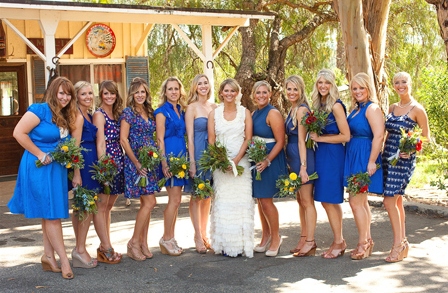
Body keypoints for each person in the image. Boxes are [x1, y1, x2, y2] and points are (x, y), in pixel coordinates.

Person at [8, 76, 77, 279]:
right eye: (62, 93)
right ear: (54, 92)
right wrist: (40, 154)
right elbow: (18, 133)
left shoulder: (64, 115)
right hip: (39, 165)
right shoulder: (39, 110)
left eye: (68, 94)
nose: (65, 97)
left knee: (50, 212)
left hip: (56, 168)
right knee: (52, 214)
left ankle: (48, 256)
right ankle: (65, 262)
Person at [382, 72, 429, 262]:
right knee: (397, 201)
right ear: (393, 86)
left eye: (404, 82)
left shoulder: (417, 109)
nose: (400, 85)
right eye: (396, 83)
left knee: (388, 201)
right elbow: (386, 133)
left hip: (403, 160)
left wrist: (411, 150)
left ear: (410, 84)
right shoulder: (393, 107)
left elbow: (425, 137)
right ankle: (403, 243)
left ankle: (397, 245)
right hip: (388, 157)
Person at [208, 78, 254, 258]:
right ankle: (224, 245)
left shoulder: (245, 113)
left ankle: (242, 245)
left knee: (241, 202)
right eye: (226, 91)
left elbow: (248, 138)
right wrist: (221, 160)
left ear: (237, 93)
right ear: (221, 93)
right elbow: (211, 140)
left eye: (232, 91)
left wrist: (235, 160)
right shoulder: (214, 113)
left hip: (241, 163)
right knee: (223, 202)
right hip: (221, 164)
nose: (229, 94)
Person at [309, 69, 350, 259]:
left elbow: (346, 135)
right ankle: (339, 240)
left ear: (332, 85)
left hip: (333, 155)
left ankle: (338, 241)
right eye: (320, 83)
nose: (323, 86)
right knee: (326, 199)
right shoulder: (319, 106)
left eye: (326, 83)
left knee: (329, 199)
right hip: (322, 155)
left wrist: (321, 138)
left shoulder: (336, 106)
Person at [343, 73, 384, 260]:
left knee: (355, 201)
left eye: (361, 88)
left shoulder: (372, 108)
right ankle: (367, 240)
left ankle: (363, 243)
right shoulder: (356, 109)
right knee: (361, 202)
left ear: (368, 88)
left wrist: (372, 161)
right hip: (353, 154)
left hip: (364, 156)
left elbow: (378, 136)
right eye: (354, 88)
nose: (358, 91)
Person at [120, 77, 159, 261]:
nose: (140, 95)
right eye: (137, 92)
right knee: (150, 202)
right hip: (136, 162)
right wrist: (136, 163)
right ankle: (134, 242)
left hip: (148, 162)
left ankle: (143, 242)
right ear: (132, 94)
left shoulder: (149, 111)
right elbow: (123, 139)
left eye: (143, 91)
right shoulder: (128, 112)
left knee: (147, 204)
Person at [251, 81, 287, 257]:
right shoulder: (253, 113)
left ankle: (276, 238)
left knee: (266, 201)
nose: (261, 95)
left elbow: (281, 141)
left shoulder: (273, 113)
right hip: (257, 159)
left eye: (264, 92)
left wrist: (266, 160)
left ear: (270, 94)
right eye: (258, 93)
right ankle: (265, 237)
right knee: (260, 200)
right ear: (253, 95)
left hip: (270, 159)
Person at [284, 75, 318, 257]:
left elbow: (302, 141)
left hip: (302, 157)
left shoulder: (302, 110)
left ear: (301, 90)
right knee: (300, 200)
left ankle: (311, 241)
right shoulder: (292, 109)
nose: (291, 92)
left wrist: (303, 167)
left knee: (307, 200)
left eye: (295, 89)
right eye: (289, 89)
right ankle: (303, 237)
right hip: (293, 157)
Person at [155, 76, 188, 256]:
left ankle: (171, 237)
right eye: (170, 89)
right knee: (173, 200)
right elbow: (159, 139)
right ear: (165, 92)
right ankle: (166, 238)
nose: (174, 92)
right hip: (170, 157)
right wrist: (164, 162)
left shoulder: (181, 111)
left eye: (176, 89)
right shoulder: (161, 112)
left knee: (177, 201)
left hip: (181, 156)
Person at [92, 80, 124, 264]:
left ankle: (105, 245)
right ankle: (106, 248)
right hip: (108, 163)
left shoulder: (116, 113)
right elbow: (101, 143)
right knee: (101, 206)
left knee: (109, 207)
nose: (109, 96)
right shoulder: (99, 114)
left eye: (112, 93)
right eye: (106, 94)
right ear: (101, 95)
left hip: (118, 160)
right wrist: (104, 169)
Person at [184, 74, 217, 254]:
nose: (203, 86)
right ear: (195, 87)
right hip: (198, 152)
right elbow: (189, 137)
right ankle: (197, 235)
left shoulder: (215, 107)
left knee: (207, 196)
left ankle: (205, 234)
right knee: (197, 196)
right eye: (199, 84)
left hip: (211, 155)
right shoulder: (191, 108)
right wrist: (192, 162)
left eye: (205, 83)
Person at [70, 81, 100, 269]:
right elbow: (75, 146)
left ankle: (79, 247)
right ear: (76, 97)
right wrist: (76, 173)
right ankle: (79, 250)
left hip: (92, 163)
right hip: (83, 163)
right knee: (86, 207)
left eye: (90, 93)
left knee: (83, 207)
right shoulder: (78, 116)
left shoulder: (88, 114)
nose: (88, 97)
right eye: (83, 94)